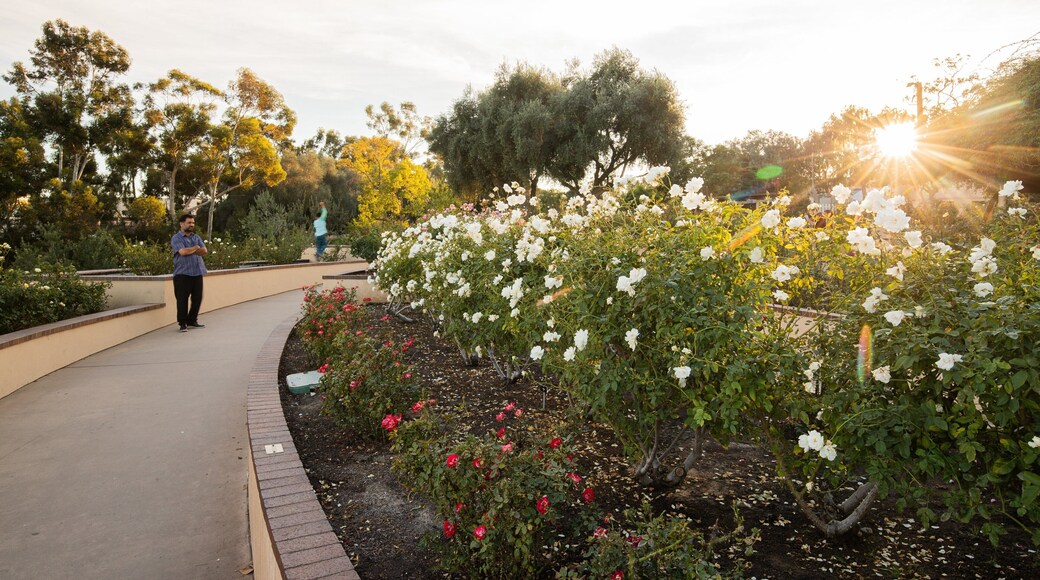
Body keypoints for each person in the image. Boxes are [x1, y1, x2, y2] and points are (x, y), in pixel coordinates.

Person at [171, 214, 208, 333]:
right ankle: (182, 323)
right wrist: (196, 248)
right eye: (189, 222)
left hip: (197, 272)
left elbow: (204, 251)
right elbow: (182, 252)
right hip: (182, 274)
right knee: (182, 299)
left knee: (197, 298)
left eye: (193, 223)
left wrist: (192, 249)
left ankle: (192, 320)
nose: (191, 225)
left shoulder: (196, 237)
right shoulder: (176, 238)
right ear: (182, 224)